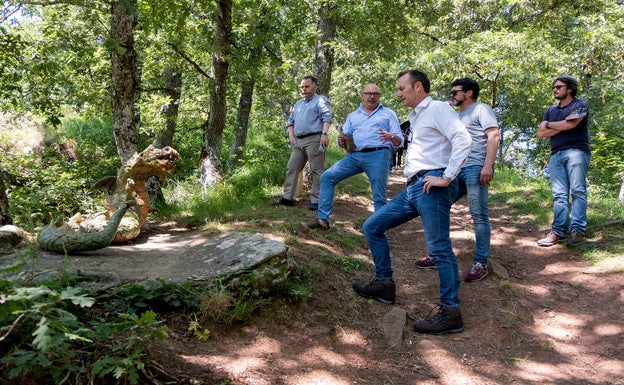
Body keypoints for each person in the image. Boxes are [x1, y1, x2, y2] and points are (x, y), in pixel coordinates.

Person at [352, 70, 472, 335]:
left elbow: (463, 139)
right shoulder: (416, 117)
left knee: (439, 249)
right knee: (373, 226)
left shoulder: (439, 108)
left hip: (432, 186)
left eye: (401, 88)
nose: (398, 94)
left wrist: (447, 177)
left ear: (418, 86)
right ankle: (384, 284)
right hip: (414, 188)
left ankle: (451, 311)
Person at [415, 78, 500, 282]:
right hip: (454, 169)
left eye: (455, 92)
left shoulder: (481, 109)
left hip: (475, 167)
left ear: (468, 93)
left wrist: (487, 165)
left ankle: (480, 262)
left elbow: (494, 135)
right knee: (437, 208)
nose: (451, 95)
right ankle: (437, 255)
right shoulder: (455, 115)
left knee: (478, 214)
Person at [308, 84, 403, 229]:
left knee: (379, 195)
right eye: (368, 93)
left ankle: (379, 229)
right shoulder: (353, 115)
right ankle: (322, 220)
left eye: (375, 94)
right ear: (362, 95)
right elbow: (344, 138)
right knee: (327, 176)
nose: (371, 96)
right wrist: (340, 141)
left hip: (378, 155)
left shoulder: (388, 113)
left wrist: (392, 136)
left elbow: (400, 141)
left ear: (379, 96)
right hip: (354, 156)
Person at [536, 75, 590, 246]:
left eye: (558, 86)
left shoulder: (580, 104)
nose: (555, 89)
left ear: (570, 89)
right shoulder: (551, 110)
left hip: (576, 152)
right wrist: (562, 124)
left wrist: (551, 125)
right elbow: (541, 133)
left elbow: (571, 125)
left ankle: (577, 230)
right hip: (556, 155)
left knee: (578, 191)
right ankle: (558, 231)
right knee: (559, 195)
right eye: (553, 87)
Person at [272, 76, 333, 210]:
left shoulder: (320, 100)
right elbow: (290, 122)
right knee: (292, 167)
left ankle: (316, 201)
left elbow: (327, 117)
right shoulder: (298, 104)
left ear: (315, 87)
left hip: (315, 139)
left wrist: (324, 134)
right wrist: (291, 135)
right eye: (302, 87)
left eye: (307, 86)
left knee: (316, 171)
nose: (304, 89)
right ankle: (287, 198)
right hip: (298, 141)